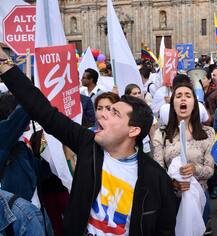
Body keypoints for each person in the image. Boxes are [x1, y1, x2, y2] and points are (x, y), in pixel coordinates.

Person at [0, 49, 177, 236]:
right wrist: (5, 64)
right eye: (104, 109)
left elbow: (164, 230)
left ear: (133, 130)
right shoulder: (89, 146)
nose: (103, 114)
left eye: (114, 113)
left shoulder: (156, 179)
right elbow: (43, 112)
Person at [152, 82, 214, 225]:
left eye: (188, 96)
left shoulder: (208, 133)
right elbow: (158, 171)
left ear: (194, 103)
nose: (183, 99)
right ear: (172, 103)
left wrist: (194, 169)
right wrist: (172, 184)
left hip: (198, 198)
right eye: (178, 96)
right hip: (171, 200)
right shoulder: (161, 134)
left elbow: (210, 170)